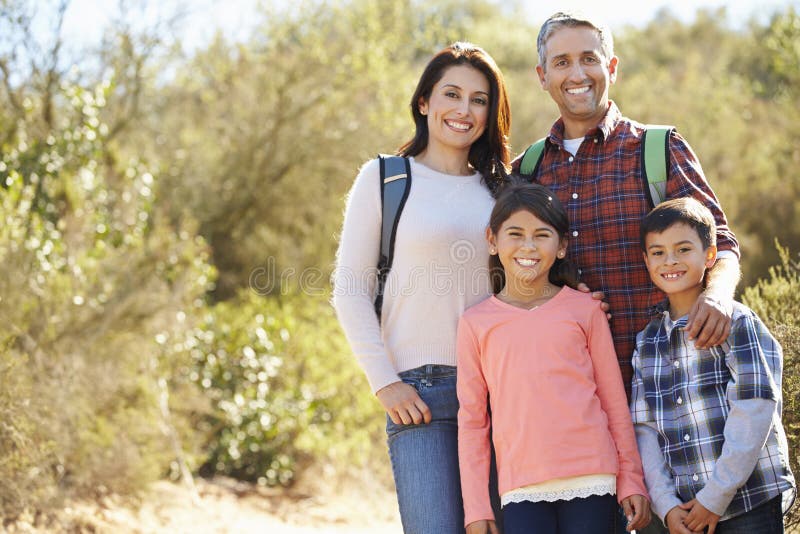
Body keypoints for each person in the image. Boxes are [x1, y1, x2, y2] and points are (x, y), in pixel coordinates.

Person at [513, 12, 741, 400]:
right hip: (572, 390)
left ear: (611, 67)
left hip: (671, 384)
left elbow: (719, 239)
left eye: (589, 58)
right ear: (542, 76)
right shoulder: (527, 170)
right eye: (562, 62)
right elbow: (509, 271)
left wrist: (718, 296)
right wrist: (553, 294)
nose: (577, 74)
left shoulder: (658, 149)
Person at [332, 42, 511, 534]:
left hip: (498, 392)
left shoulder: (503, 192)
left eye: (479, 100)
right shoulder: (387, 178)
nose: (464, 110)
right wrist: (385, 381)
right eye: (451, 94)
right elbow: (348, 288)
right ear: (424, 102)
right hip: (420, 394)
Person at [457, 181, 651, 534]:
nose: (528, 246)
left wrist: (631, 480)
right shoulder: (475, 323)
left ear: (561, 246)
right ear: (492, 240)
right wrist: (476, 505)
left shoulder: (585, 310)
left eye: (541, 235)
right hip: (521, 486)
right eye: (515, 234)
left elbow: (613, 403)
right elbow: (472, 422)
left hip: (593, 477)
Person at [630, 197, 796, 534]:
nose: (670, 260)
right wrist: (665, 504)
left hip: (748, 501)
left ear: (709, 255)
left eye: (683, 249)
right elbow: (644, 430)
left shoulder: (736, 322)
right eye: (658, 252)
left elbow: (755, 409)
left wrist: (715, 497)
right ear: (646, 260)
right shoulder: (646, 342)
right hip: (684, 511)